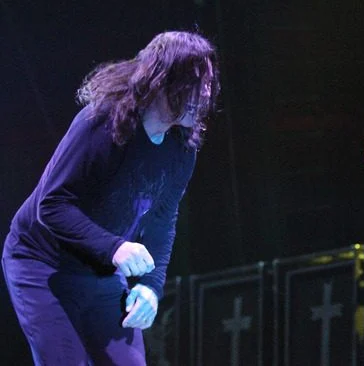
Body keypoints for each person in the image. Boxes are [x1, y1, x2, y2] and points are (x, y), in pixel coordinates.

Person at [2, 31, 220, 365]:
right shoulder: (102, 122)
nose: (205, 92)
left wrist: (150, 285)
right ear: (162, 79)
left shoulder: (182, 147)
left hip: (101, 274)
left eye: (208, 83)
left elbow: (163, 217)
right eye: (195, 81)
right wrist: (116, 247)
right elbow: (52, 204)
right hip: (43, 265)